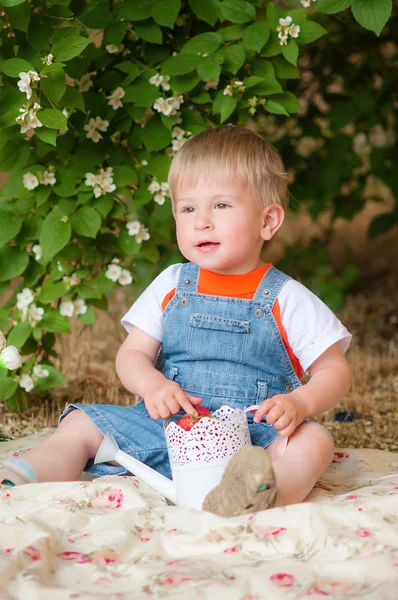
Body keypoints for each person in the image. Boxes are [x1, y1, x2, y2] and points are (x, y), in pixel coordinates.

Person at [0, 126, 351, 518]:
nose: (202, 221)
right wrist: (152, 384)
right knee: (82, 424)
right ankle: (29, 475)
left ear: (267, 221)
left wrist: (301, 402)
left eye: (220, 206)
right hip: (169, 428)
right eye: (188, 208)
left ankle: (261, 494)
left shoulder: (287, 297)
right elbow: (131, 355)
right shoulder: (172, 283)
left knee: (314, 440)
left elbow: (334, 370)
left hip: (253, 441)